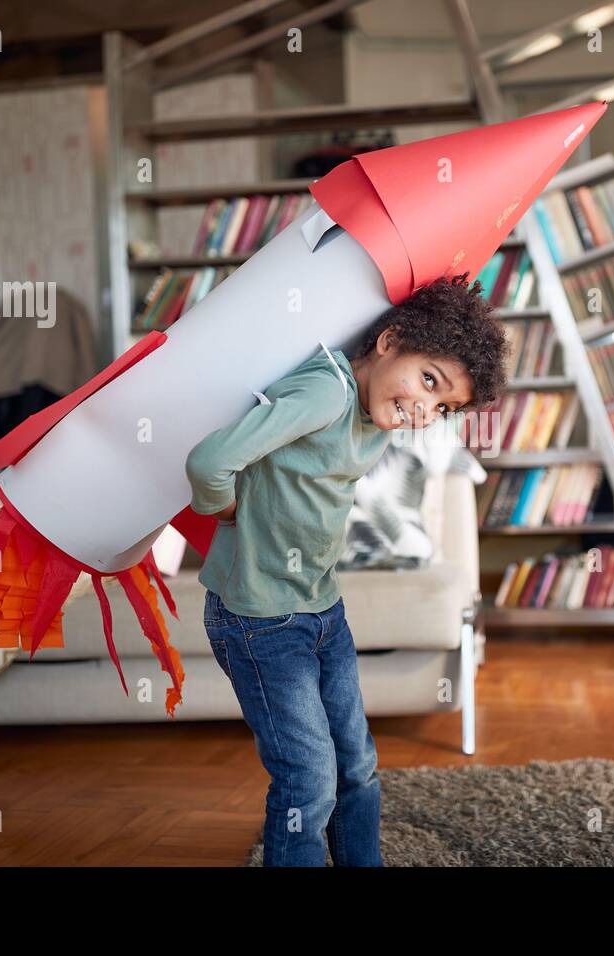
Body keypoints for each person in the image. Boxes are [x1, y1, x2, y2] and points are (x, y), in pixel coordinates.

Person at [186, 274, 510, 866]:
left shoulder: (374, 417)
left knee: (356, 763)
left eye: (441, 406)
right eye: (428, 380)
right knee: (308, 778)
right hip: (260, 621)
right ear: (388, 341)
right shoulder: (326, 392)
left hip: (321, 609)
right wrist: (230, 514)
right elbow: (210, 461)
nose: (422, 408)